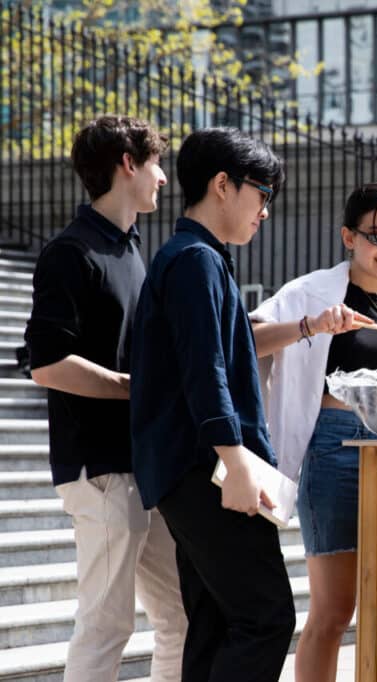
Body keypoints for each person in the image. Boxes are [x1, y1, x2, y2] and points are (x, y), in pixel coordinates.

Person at [250, 181, 377, 681]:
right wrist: (314, 326)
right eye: (376, 237)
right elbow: (247, 338)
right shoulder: (313, 293)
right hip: (335, 446)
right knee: (334, 609)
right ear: (348, 237)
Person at [24, 116, 186, 682]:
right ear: (127, 163)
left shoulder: (131, 250)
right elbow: (45, 363)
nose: (162, 177)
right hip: (101, 469)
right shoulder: (71, 252)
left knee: (181, 618)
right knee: (106, 624)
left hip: (143, 464)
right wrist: (132, 388)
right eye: (155, 163)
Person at [130, 127, 295, 681]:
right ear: (223, 185)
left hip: (196, 469)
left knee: (217, 621)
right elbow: (205, 371)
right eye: (262, 193)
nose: (265, 210)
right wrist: (238, 459)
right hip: (208, 470)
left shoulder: (199, 259)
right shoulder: (194, 260)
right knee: (267, 617)